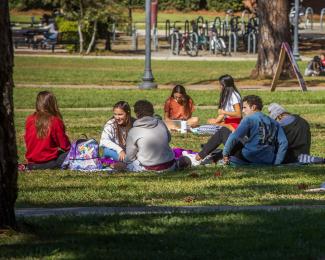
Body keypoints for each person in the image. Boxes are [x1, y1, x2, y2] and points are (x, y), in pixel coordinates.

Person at [222, 95, 288, 165]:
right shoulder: (274, 122)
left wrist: (225, 154)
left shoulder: (248, 119)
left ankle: (214, 156)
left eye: (244, 107)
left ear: (253, 107)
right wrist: (277, 162)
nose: (243, 111)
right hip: (269, 159)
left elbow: (235, 137)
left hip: (249, 156)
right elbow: (284, 142)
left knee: (224, 131)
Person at [192, 75, 242, 163]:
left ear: (226, 85)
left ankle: (200, 155)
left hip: (233, 125)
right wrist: (216, 121)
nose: (220, 87)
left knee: (210, 130)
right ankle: (207, 154)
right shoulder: (227, 95)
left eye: (221, 85)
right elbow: (223, 113)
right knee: (208, 126)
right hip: (228, 123)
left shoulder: (234, 95)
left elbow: (238, 114)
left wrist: (224, 113)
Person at [24, 91, 71, 170]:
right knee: (71, 154)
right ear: (52, 104)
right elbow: (65, 145)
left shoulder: (30, 119)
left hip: (32, 163)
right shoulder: (54, 120)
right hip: (49, 162)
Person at [125, 100, 175, 172]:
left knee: (124, 165)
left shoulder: (133, 131)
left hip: (148, 168)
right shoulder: (161, 123)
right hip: (170, 165)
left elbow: (130, 158)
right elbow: (168, 139)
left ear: (137, 114)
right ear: (152, 112)